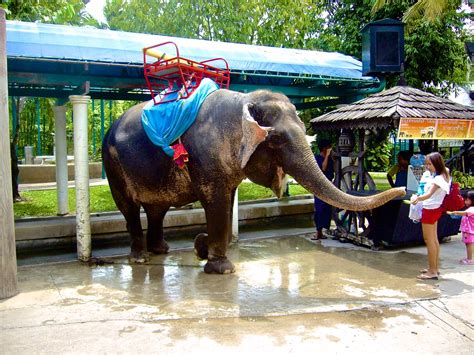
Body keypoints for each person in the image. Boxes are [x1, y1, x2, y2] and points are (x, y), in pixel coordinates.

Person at [410, 152, 450, 280]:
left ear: (437, 163)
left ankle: (432, 271)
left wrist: (416, 198)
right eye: (426, 164)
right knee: (434, 240)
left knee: (429, 240)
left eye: (429, 164)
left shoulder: (438, 179)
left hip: (430, 209)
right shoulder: (445, 174)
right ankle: (434, 268)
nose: (427, 167)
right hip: (436, 209)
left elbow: (428, 195)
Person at [311, 139, 334, 241]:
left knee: (326, 209)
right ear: (324, 148)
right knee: (319, 209)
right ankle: (318, 232)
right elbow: (323, 168)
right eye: (328, 147)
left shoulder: (331, 159)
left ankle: (322, 231)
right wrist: (327, 156)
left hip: (328, 187)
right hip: (320, 188)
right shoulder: (317, 158)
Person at [447, 191, 474, 265]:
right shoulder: (470, 209)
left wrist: (453, 212)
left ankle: (470, 259)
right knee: (468, 244)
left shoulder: (471, 209)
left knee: (469, 244)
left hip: (469, 231)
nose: (465, 201)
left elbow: (463, 213)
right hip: (467, 230)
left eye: (467, 200)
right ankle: (469, 258)